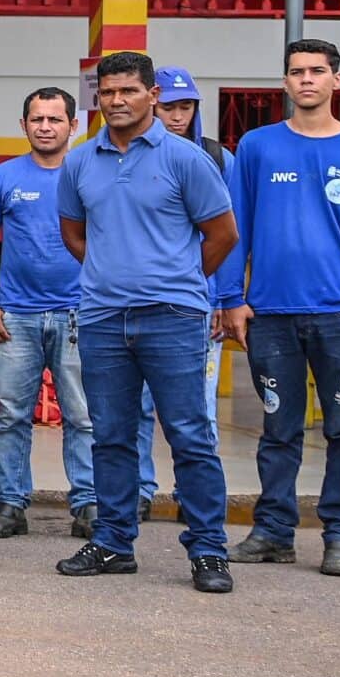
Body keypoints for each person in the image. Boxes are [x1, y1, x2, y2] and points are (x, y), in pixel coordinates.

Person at [54, 52, 238, 594]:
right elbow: (73, 233)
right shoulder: (81, 161)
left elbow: (222, 234)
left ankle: (208, 550)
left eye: (128, 91)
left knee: (190, 436)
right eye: (107, 92)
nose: (116, 101)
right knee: (109, 437)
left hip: (174, 319)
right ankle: (113, 543)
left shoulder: (186, 159)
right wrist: (111, 276)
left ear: (151, 95)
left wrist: (178, 279)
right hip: (104, 320)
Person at [220, 37, 340, 579]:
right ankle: (274, 530)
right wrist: (232, 298)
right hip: (271, 315)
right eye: (296, 71)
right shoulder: (257, 147)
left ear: (336, 81)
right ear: (285, 82)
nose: (306, 80)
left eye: (317, 71)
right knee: (279, 429)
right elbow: (235, 229)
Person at [0, 87, 94, 541]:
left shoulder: (89, 173)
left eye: (55, 120)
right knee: (12, 416)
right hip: (15, 317)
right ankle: (11, 505)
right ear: (23, 125)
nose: (46, 127)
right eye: (37, 119)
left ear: (72, 126)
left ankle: (88, 505)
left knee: (82, 416)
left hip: (79, 314)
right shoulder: (0, 178)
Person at [133, 63, 234, 512]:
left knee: (197, 413)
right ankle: (138, 491)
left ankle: (195, 499)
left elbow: (230, 234)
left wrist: (220, 297)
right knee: (134, 409)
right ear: (153, 101)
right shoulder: (126, 153)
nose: (178, 116)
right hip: (133, 305)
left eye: (186, 107)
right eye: (170, 106)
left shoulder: (215, 158)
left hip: (195, 306)